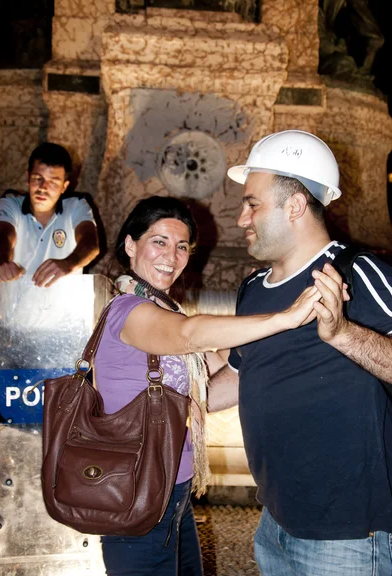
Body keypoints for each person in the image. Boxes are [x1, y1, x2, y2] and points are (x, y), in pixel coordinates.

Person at [93, 195, 325, 576]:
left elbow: (217, 362)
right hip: (135, 492)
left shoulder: (165, 309)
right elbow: (190, 334)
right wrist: (284, 318)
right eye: (160, 241)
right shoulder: (127, 310)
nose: (173, 254)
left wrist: (291, 342)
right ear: (131, 245)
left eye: (182, 245)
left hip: (173, 490)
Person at [209, 129, 392, 575]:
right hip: (275, 520)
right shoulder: (252, 289)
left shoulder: (358, 272)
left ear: (294, 206)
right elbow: (237, 377)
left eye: (253, 203)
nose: (241, 218)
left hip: (348, 533)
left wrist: (343, 333)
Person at [0, 142, 99, 287]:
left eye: (53, 182)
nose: (43, 188)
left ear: (64, 186)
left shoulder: (77, 205)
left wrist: (68, 264)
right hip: (17, 305)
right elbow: (2, 236)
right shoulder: (11, 203)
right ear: (27, 178)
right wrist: (2, 263)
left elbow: (90, 243)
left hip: (64, 306)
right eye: (38, 178)